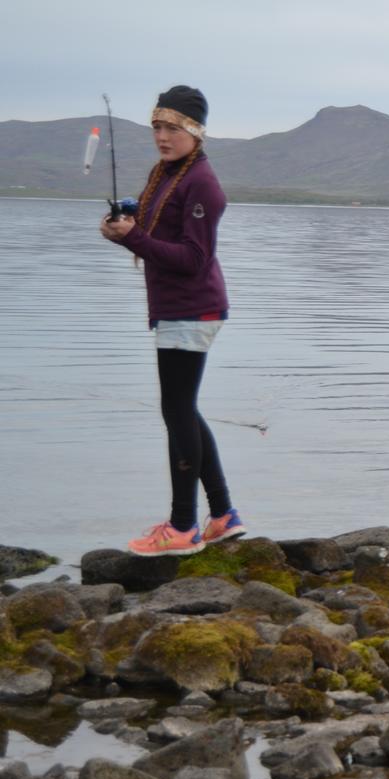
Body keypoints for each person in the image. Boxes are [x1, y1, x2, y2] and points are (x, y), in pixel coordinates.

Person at [100, 85, 246, 556]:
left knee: (177, 410)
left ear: (194, 131)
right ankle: (223, 515)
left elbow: (193, 258)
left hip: (192, 305)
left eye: (172, 128)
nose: (162, 136)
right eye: (157, 127)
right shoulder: (167, 172)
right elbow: (155, 220)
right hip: (177, 308)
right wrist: (127, 220)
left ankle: (184, 527)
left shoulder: (202, 183)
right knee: (184, 409)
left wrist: (133, 241)